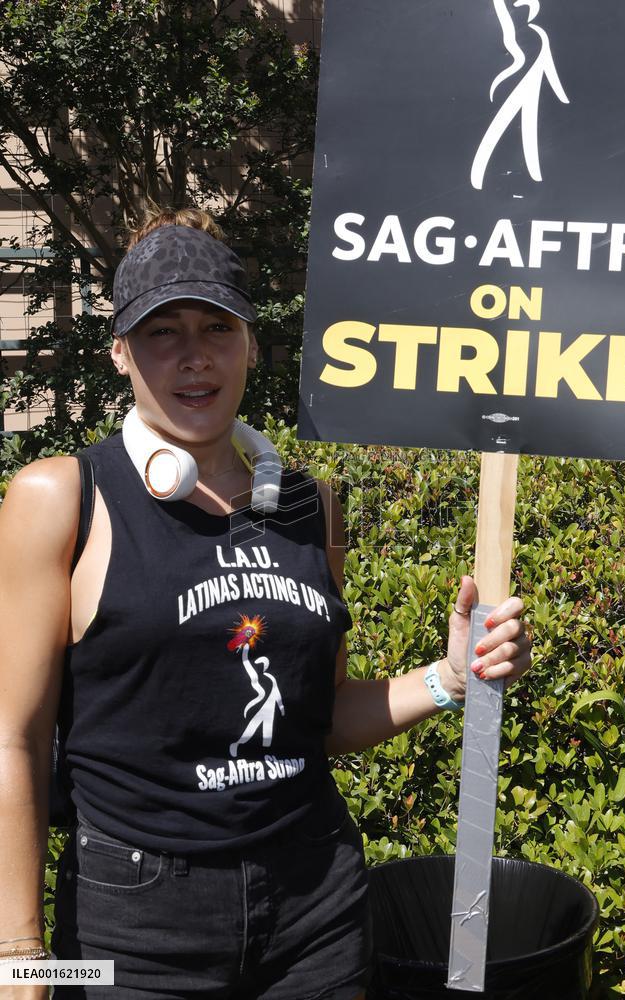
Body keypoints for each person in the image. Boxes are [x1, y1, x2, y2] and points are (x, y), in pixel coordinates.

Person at [0, 208, 532, 1000]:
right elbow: (13, 738)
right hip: (131, 928)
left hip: (318, 910)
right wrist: (18, 951)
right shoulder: (59, 496)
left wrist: (449, 679)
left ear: (251, 343)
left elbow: (321, 719)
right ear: (119, 351)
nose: (193, 357)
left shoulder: (311, 506)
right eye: (162, 332)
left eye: (217, 328)